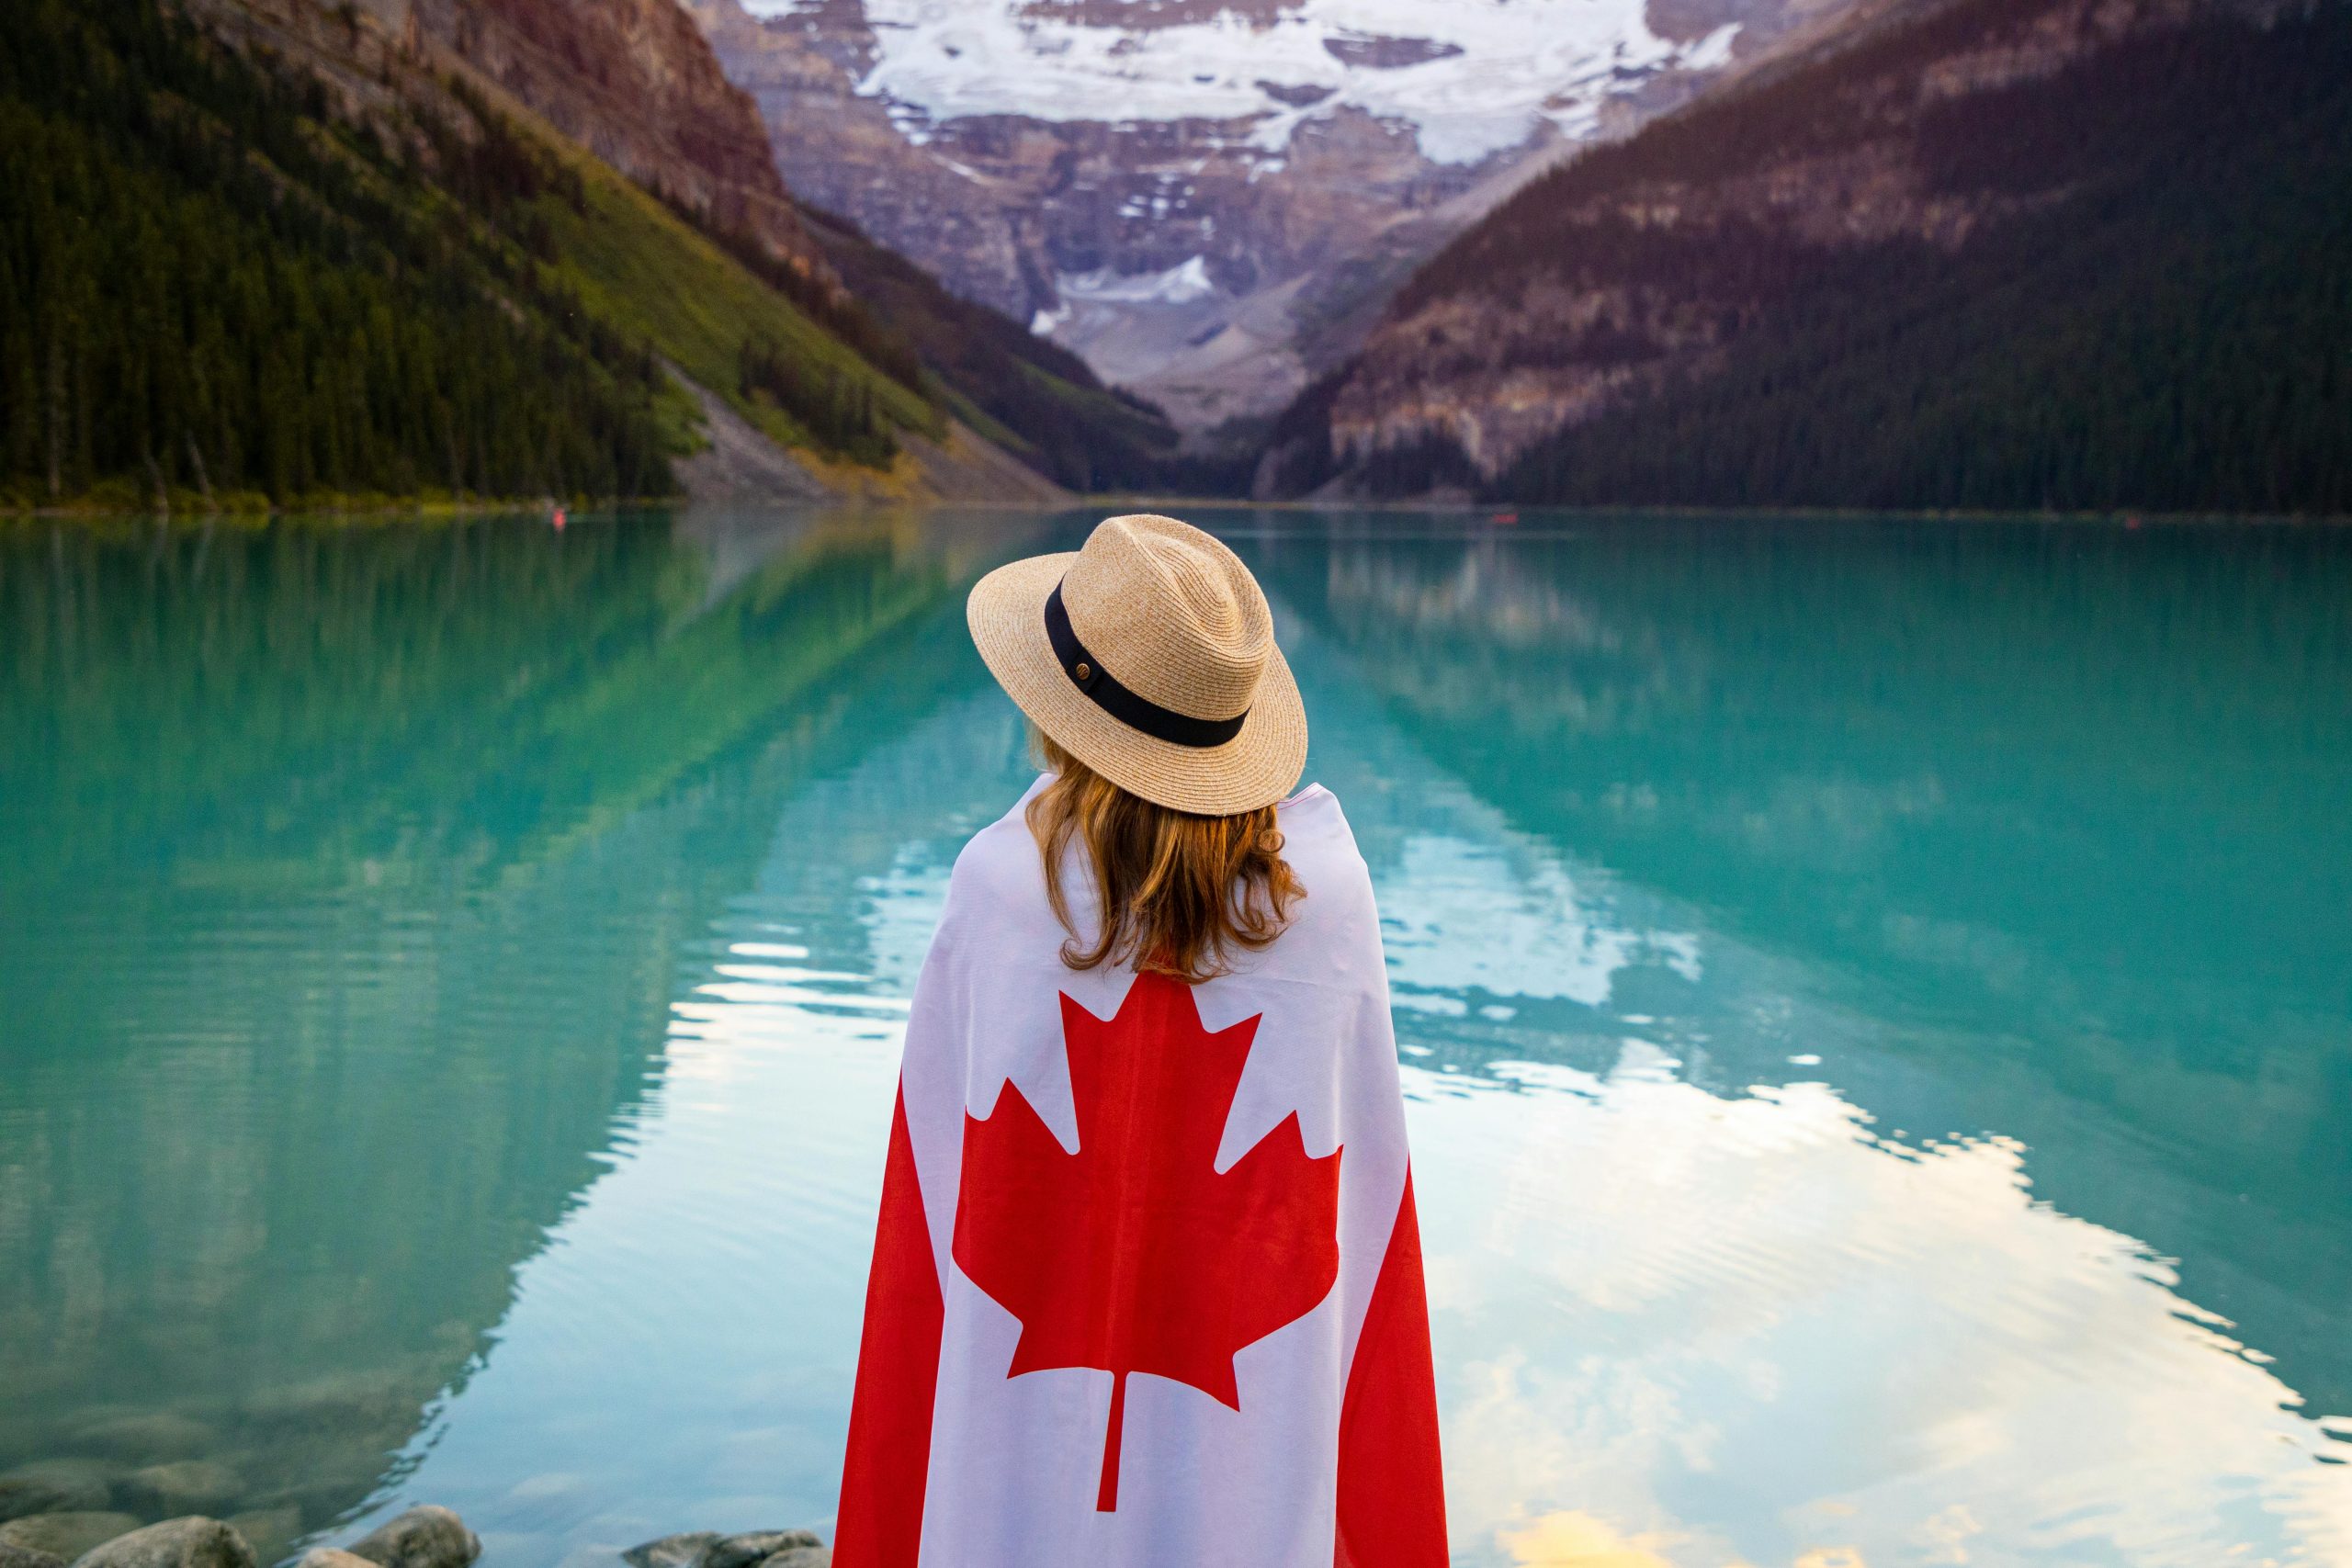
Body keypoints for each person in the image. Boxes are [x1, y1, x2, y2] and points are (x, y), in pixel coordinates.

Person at [832, 514, 1446, 1568]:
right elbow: (1365, 1213)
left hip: (1013, 1462)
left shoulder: (996, 888)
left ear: (1061, 710)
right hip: (1252, 1468)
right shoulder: (1331, 903)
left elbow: (932, 1203)